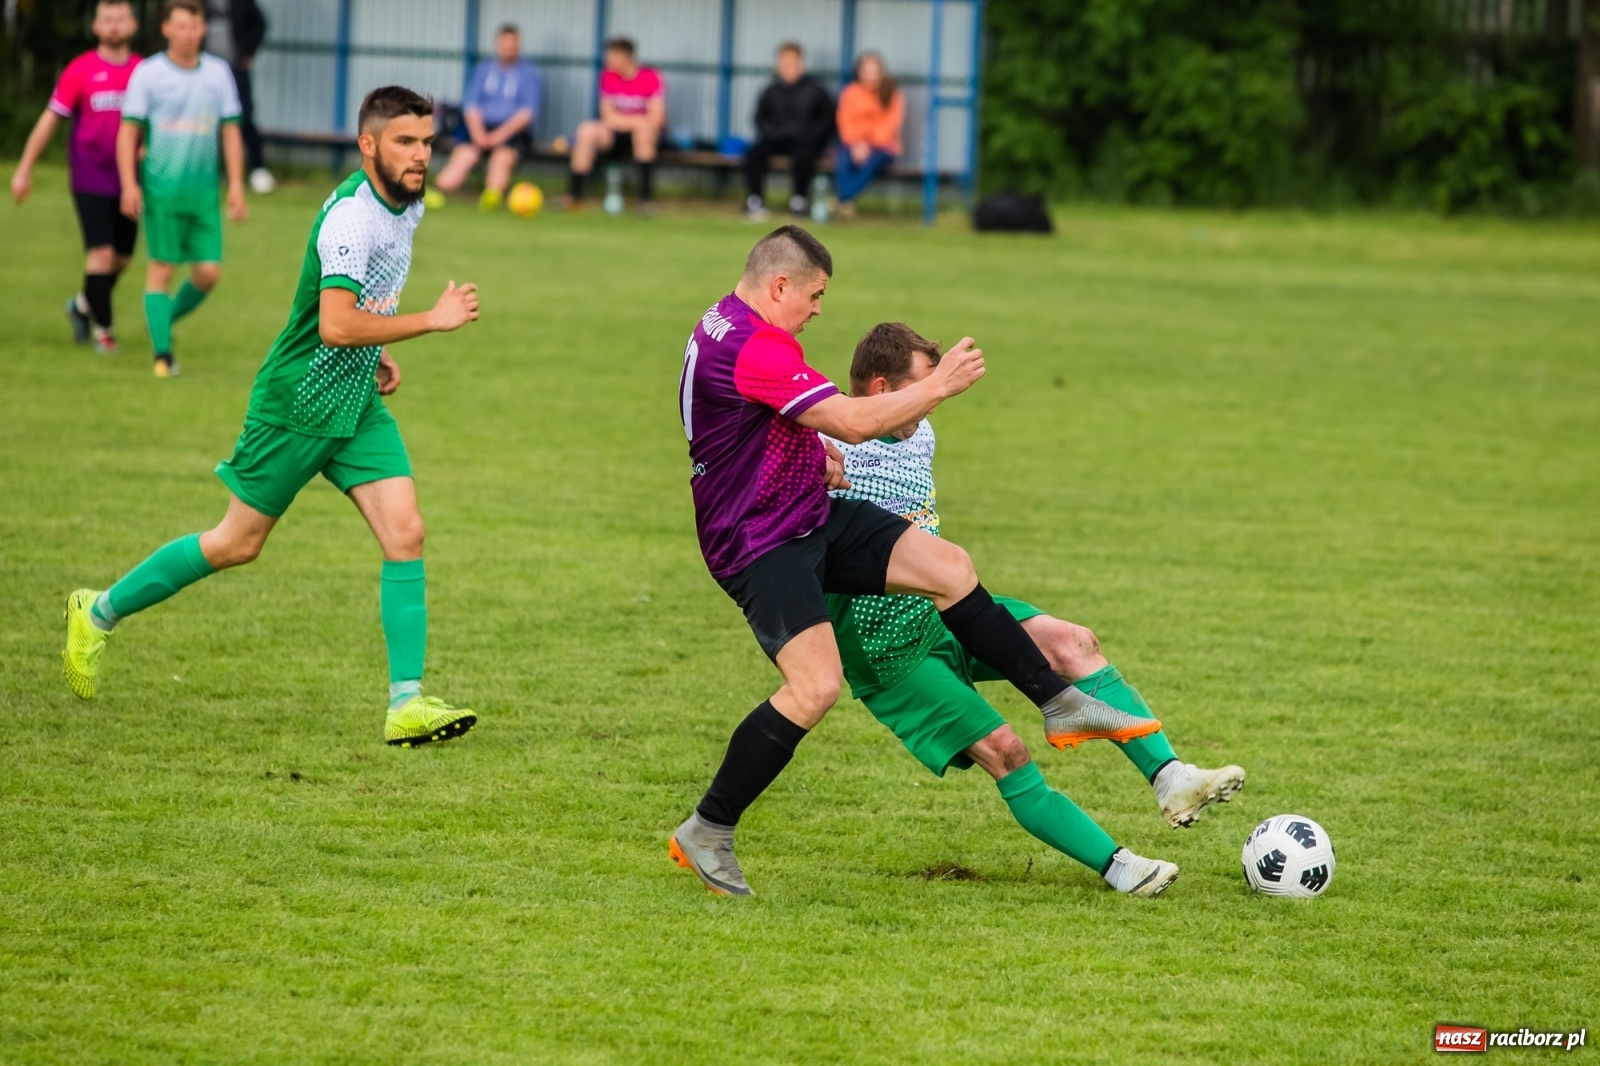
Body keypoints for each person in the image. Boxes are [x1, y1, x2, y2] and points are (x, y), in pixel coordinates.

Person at [668, 225, 1161, 897]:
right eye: (813, 295)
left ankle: (1058, 701)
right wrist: (939, 386)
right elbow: (854, 419)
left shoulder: (726, 321)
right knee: (814, 690)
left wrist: (808, 455)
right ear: (778, 285)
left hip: (804, 510)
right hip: (761, 541)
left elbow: (743, 422)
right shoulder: (757, 345)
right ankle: (709, 828)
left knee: (949, 568)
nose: (818, 309)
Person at [63, 85, 483, 750]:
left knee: (406, 531)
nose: (421, 156)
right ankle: (99, 611)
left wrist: (374, 356)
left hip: (353, 400)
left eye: (428, 142)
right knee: (237, 543)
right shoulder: (354, 217)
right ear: (368, 145)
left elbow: (357, 320)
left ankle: (405, 703)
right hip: (298, 402)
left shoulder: (407, 203)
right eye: (406, 142)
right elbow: (336, 321)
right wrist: (428, 321)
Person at [826, 322, 1250, 897]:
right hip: (887, 651)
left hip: (947, 610)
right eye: (930, 383)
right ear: (880, 390)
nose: (937, 399)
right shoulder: (826, 445)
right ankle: (1119, 866)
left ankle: (1171, 778)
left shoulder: (918, 431)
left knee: (1075, 643)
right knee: (1007, 750)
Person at [117, 0, 247, 376]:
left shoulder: (218, 74)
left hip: (204, 195)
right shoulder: (149, 73)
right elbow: (129, 132)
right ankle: (163, 355)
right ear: (166, 29)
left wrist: (237, 185)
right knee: (161, 269)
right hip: (162, 190)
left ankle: (160, 320)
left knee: (208, 274)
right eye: (180, 27)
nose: (187, 34)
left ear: (203, 29)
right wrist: (129, 184)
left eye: (194, 27)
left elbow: (231, 129)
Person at [10, 0, 141, 355]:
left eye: (120, 18)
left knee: (122, 258)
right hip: (90, 178)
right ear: (96, 26)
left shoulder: (144, 72)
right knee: (100, 253)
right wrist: (24, 168)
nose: (114, 25)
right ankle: (105, 332)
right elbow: (51, 119)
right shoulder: (81, 70)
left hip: (130, 180)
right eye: (107, 19)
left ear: (133, 25)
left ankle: (83, 305)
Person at [433, 24, 541, 211]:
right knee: (463, 156)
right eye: (505, 45)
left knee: (502, 158)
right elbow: (471, 106)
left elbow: (527, 113)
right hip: (480, 128)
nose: (509, 50)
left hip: (511, 131)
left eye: (513, 46)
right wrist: (478, 134)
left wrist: (498, 136)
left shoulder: (529, 72)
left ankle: (492, 196)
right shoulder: (483, 69)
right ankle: (438, 192)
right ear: (497, 45)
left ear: (519, 46)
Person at [562, 38, 664, 212]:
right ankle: (574, 196)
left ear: (624, 57)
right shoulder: (608, 76)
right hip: (614, 135)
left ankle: (645, 202)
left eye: (611, 57)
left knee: (644, 132)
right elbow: (608, 117)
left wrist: (631, 122)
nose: (607, 62)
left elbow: (656, 119)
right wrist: (637, 120)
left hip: (642, 136)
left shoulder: (650, 76)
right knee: (586, 130)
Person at [742, 42, 834, 222]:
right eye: (784, 63)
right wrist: (771, 134)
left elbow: (827, 120)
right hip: (776, 140)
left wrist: (812, 137)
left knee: (804, 156)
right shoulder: (771, 90)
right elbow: (759, 119)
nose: (788, 68)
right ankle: (755, 202)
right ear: (778, 65)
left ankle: (799, 202)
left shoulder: (816, 90)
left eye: (792, 63)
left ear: (801, 64)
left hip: (805, 142)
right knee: (754, 154)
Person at [203, 0, 273, 194]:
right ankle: (211, 171)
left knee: (244, 117)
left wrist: (247, 53)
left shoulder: (242, 2)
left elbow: (260, 24)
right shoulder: (200, 4)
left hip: (235, 70)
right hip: (205, 73)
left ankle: (258, 169)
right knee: (206, 120)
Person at [834, 51, 904, 217]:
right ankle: (845, 203)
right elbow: (845, 120)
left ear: (881, 72)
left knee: (870, 163)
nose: (871, 75)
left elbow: (889, 125)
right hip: (854, 144)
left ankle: (843, 200)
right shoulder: (851, 92)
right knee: (843, 159)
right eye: (867, 70)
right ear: (859, 72)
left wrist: (868, 143)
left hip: (883, 147)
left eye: (874, 71)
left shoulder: (891, 94)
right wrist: (857, 142)